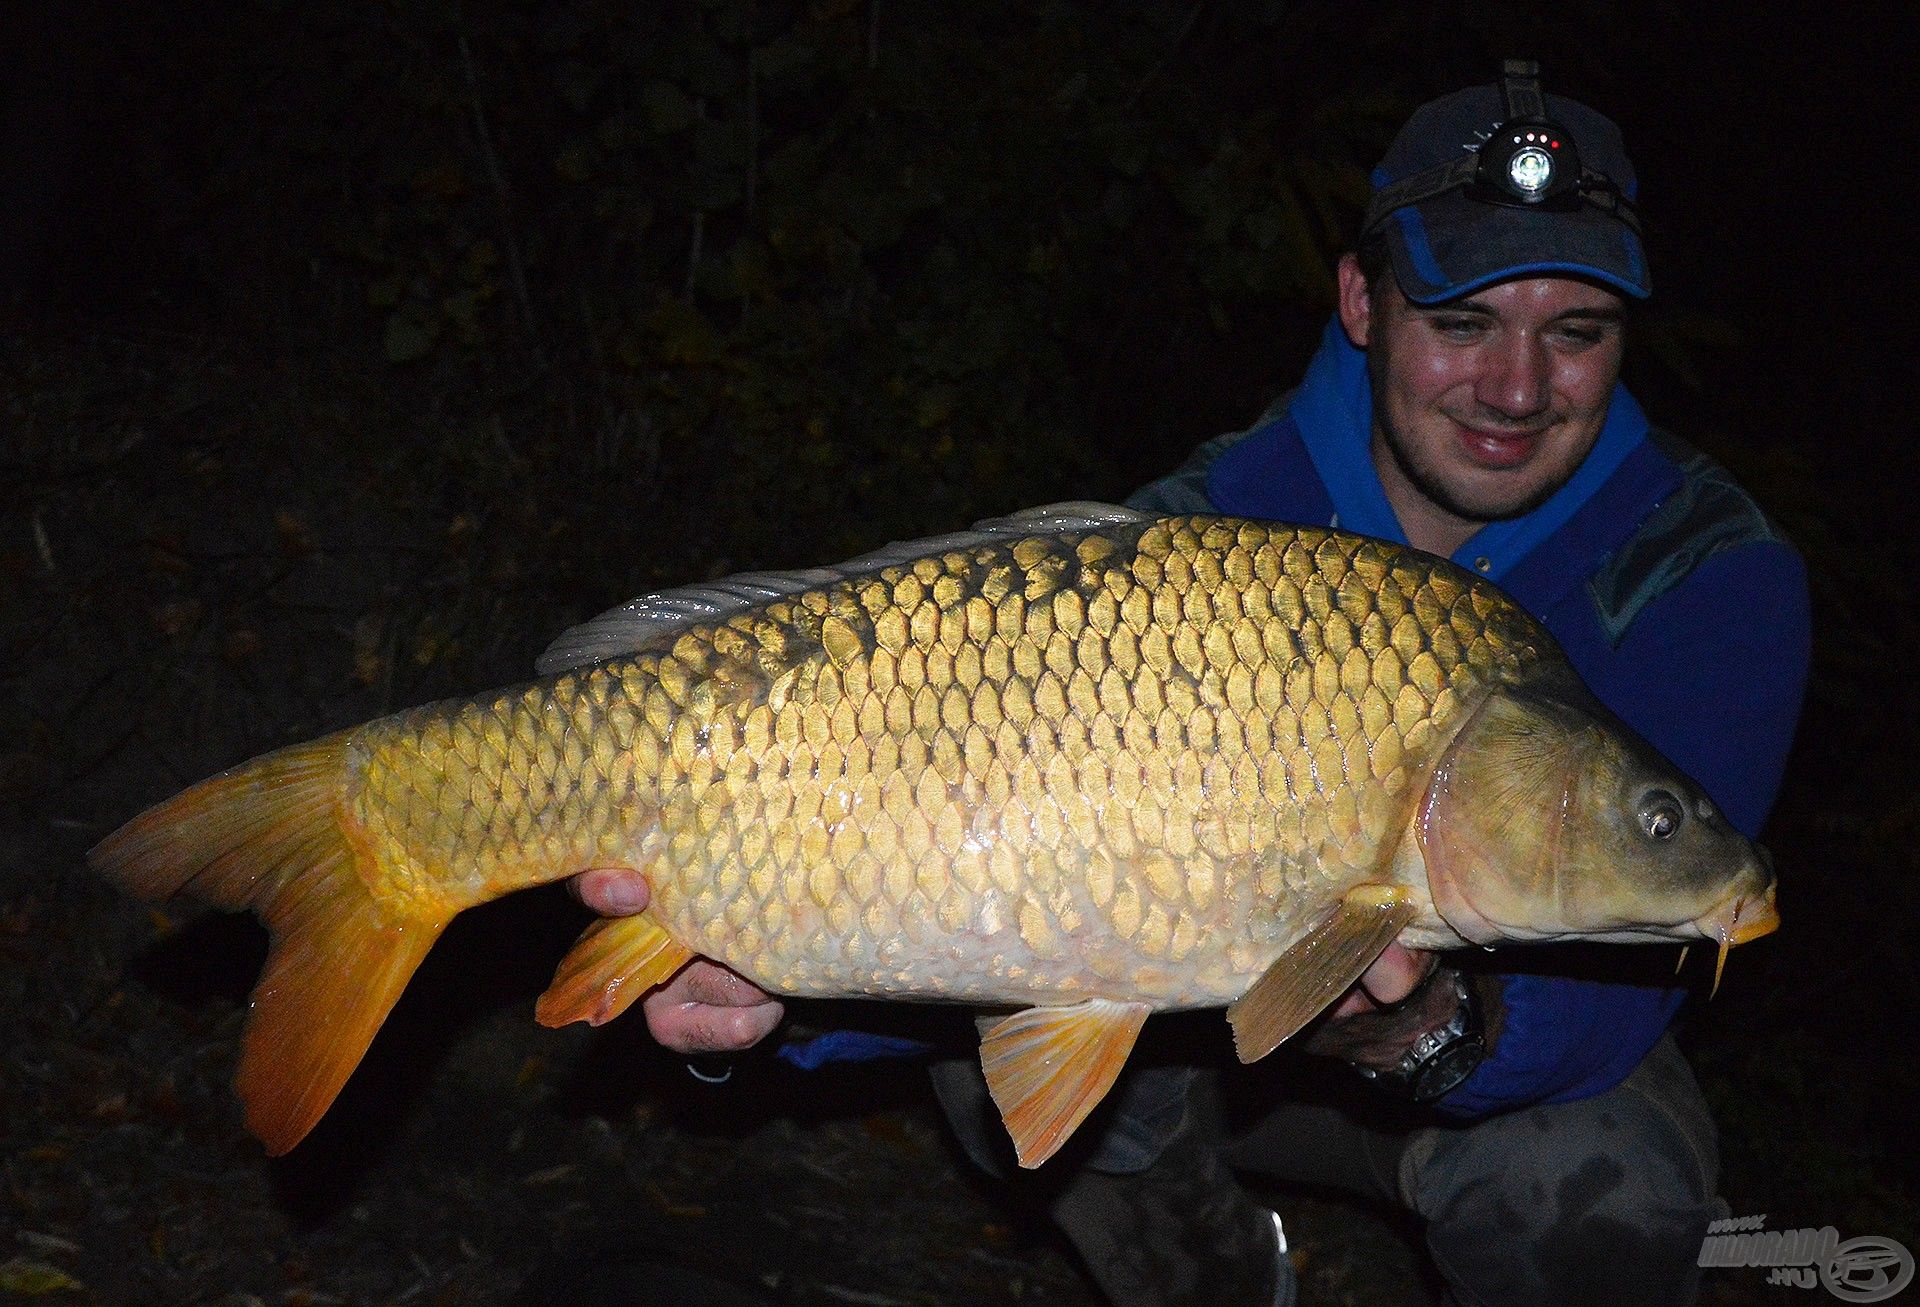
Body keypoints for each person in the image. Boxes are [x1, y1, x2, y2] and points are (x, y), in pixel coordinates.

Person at [569, 63, 1811, 1306]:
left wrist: (1427, 1024)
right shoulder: (1206, 528)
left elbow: (1613, 1015)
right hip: (1204, 1058)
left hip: (1506, 1078)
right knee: (1008, 1047)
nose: (1517, 387)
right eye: (1463, 321)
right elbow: (969, 849)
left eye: (1575, 332)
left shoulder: (1712, 572)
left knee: (1598, 1180)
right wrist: (767, 1012)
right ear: (1362, 304)